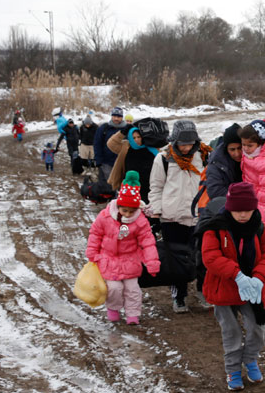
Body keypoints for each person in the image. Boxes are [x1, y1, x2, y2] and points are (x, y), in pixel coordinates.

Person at [200, 182, 265, 391]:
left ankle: (251, 359)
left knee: (256, 329)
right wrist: (236, 275)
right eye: (237, 210)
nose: (242, 214)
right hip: (224, 289)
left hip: (252, 290)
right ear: (229, 207)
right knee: (232, 332)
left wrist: (258, 277)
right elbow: (210, 257)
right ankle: (233, 369)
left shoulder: (260, 228)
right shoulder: (215, 228)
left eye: (247, 210)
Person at [148, 120, 212, 313]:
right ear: (174, 141)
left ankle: (203, 291)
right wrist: (157, 212)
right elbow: (156, 187)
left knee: (202, 257)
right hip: (172, 217)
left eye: (190, 144)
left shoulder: (204, 155)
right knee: (176, 260)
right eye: (182, 144)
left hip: (198, 217)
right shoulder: (163, 159)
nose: (186, 148)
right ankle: (179, 296)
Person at [86, 171, 160, 324]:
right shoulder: (105, 217)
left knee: (133, 289)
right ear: (118, 206)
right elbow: (96, 233)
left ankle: (133, 314)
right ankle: (113, 308)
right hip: (109, 259)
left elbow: (147, 241)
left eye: (131, 211)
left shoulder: (139, 221)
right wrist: (93, 252)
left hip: (130, 259)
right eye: (124, 210)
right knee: (114, 288)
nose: (127, 214)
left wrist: (152, 261)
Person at [107, 125, 158, 203]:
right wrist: (122, 133)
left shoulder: (151, 148)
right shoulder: (125, 147)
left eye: (138, 137)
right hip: (130, 186)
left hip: (148, 186)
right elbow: (111, 144)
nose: (136, 140)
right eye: (134, 138)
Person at [205, 123, 243, 199]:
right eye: (232, 149)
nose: (237, 153)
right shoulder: (216, 163)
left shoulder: (254, 158)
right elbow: (215, 191)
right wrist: (241, 199)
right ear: (226, 149)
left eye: (240, 148)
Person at [94, 107, 127, 182]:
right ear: (111, 116)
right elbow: (97, 144)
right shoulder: (103, 128)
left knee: (120, 184)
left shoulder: (126, 129)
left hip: (122, 162)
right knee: (108, 184)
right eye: (114, 116)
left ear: (121, 117)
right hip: (106, 162)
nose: (116, 118)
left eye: (118, 117)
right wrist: (98, 160)